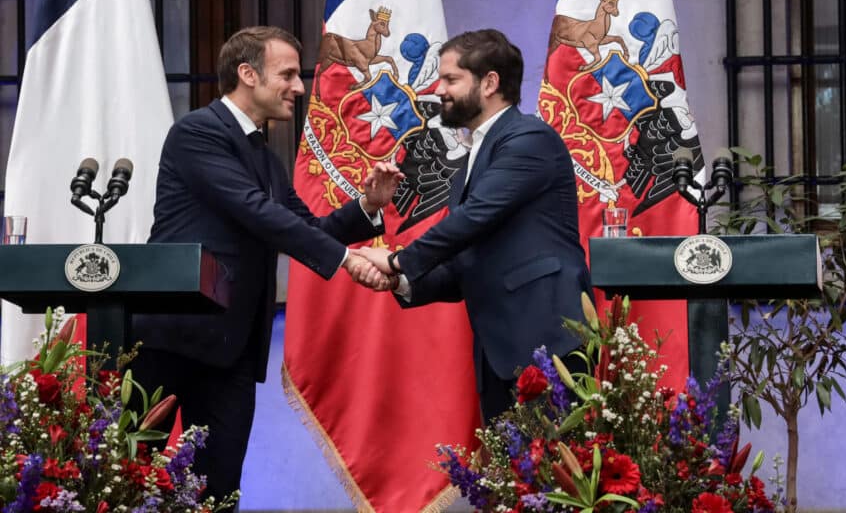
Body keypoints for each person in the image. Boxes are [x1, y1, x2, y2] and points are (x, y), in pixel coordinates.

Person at [130, 26, 398, 502]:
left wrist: (367, 206)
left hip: (232, 348)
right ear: (247, 74)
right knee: (127, 478)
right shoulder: (198, 132)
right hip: (170, 340)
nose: (299, 87)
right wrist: (348, 261)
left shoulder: (266, 157)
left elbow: (302, 228)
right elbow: (257, 213)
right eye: (288, 74)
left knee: (220, 490)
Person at [358, 28, 592, 423]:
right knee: (512, 484)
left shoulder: (529, 137)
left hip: (548, 340)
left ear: (489, 83)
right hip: (499, 353)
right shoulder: (473, 157)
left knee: (562, 480)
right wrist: (400, 282)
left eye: (451, 79)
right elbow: (467, 259)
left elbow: (472, 219)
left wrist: (398, 261)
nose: (439, 90)